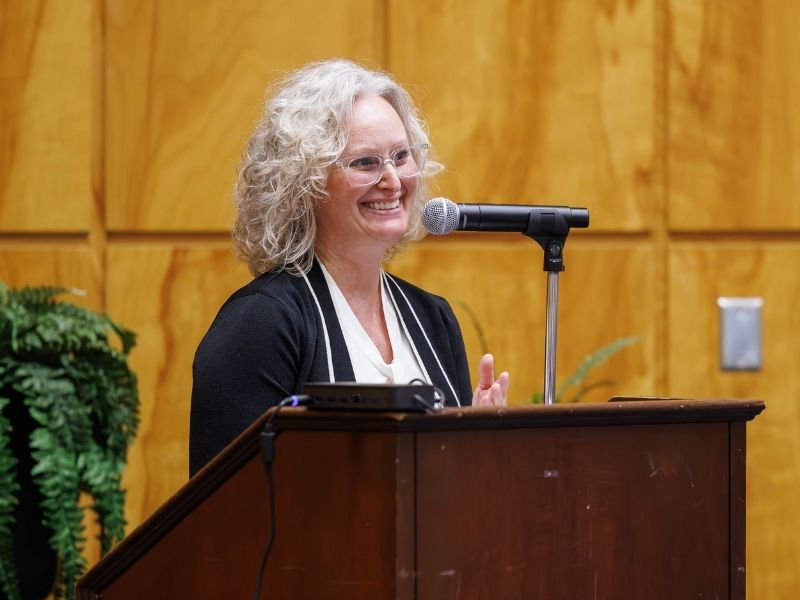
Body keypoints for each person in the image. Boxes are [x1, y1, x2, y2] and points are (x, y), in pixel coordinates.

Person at [190, 59, 509, 475]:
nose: (393, 181)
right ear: (305, 182)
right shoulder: (261, 323)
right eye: (366, 163)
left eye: (401, 156)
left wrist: (477, 444)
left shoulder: (434, 319)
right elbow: (226, 509)